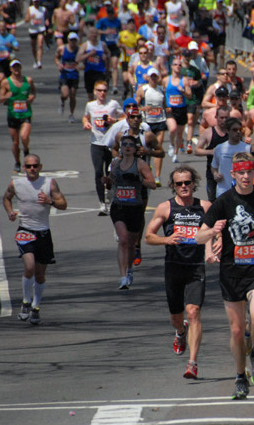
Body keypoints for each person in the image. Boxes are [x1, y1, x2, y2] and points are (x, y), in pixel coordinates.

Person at [196, 152, 254, 400]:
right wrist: (213, 231)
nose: (245, 176)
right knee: (236, 331)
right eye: (240, 172)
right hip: (231, 272)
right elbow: (198, 237)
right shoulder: (222, 202)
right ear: (233, 174)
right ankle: (240, 377)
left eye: (249, 172)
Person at [145, 166, 214, 379]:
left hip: (195, 267)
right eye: (179, 184)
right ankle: (180, 332)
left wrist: (213, 248)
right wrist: (166, 239)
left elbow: (214, 232)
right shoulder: (166, 208)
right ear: (173, 185)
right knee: (177, 317)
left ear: (194, 183)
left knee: (193, 312)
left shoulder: (205, 207)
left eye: (187, 182)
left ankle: (192, 362)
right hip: (173, 266)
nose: (184, 187)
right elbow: (148, 236)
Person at [2, 154, 67, 325]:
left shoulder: (49, 183)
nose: (32, 169)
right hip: (25, 231)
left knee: (40, 275)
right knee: (29, 266)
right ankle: (25, 302)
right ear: (24, 168)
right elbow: (6, 198)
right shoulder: (16, 183)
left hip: (43, 233)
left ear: (40, 167)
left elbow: (63, 204)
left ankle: (36, 307)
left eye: (35, 166)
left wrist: (50, 201)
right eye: (29, 166)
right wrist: (10, 212)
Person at [103, 134, 157, 290]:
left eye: (130, 145)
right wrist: (107, 182)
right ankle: (123, 277)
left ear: (135, 149)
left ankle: (130, 270)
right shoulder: (115, 163)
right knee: (123, 239)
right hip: (118, 206)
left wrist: (138, 179)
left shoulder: (140, 164)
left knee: (132, 242)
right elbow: (110, 184)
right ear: (120, 148)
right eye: (124, 144)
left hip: (135, 206)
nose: (127, 147)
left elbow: (152, 184)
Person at [83, 80, 123, 215]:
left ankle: (110, 194)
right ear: (95, 92)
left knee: (111, 172)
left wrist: (114, 121)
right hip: (96, 143)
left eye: (105, 90)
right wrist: (86, 123)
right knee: (99, 172)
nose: (102, 93)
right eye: (99, 90)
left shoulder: (113, 104)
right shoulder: (90, 105)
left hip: (111, 143)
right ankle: (102, 202)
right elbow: (86, 116)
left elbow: (123, 117)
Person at [0, 59, 36, 173]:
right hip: (13, 115)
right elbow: (0, 99)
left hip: (26, 113)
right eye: (14, 67)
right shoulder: (5, 82)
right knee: (15, 142)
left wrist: (32, 97)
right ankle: (17, 162)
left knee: (24, 136)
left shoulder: (28, 80)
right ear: (10, 69)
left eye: (18, 67)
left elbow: (33, 91)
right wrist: (7, 96)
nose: (16, 69)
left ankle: (26, 150)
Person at [137, 67, 169, 185]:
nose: (154, 79)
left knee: (158, 147)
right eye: (152, 76)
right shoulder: (143, 90)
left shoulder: (161, 89)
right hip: (147, 123)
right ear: (148, 78)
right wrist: (142, 109)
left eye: (155, 76)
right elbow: (134, 106)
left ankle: (158, 176)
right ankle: (147, 171)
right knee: (147, 148)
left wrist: (167, 109)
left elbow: (165, 104)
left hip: (160, 121)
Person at [163, 56, 193, 163]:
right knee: (172, 129)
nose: (178, 67)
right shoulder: (166, 80)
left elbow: (189, 96)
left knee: (180, 134)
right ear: (171, 66)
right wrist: (165, 106)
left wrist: (183, 91)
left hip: (181, 109)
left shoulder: (184, 80)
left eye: (180, 65)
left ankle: (175, 153)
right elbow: (162, 94)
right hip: (171, 109)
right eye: (175, 64)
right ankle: (171, 145)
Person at [211, 117, 250, 198]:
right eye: (235, 130)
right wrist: (215, 174)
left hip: (242, 191)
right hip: (223, 190)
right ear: (227, 131)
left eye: (240, 129)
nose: (238, 132)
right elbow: (214, 166)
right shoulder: (220, 148)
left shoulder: (247, 148)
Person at [77, 27, 110, 100]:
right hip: (89, 72)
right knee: (90, 95)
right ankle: (92, 109)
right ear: (88, 35)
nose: (93, 35)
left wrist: (106, 57)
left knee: (100, 92)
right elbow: (78, 58)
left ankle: (99, 109)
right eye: (92, 33)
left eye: (95, 33)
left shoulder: (102, 45)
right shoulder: (85, 45)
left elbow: (109, 54)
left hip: (100, 72)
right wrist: (89, 54)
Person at [55, 32, 80, 123]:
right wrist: (59, 64)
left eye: (74, 40)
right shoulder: (62, 49)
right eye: (71, 40)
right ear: (68, 40)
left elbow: (83, 61)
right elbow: (56, 58)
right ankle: (62, 101)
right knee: (65, 94)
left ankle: (71, 114)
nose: (73, 42)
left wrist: (79, 66)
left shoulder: (79, 50)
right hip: (64, 74)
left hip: (74, 75)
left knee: (72, 95)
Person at [25, 0, 46, 69]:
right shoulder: (30, 9)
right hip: (33, 30)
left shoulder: (43, 9)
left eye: (37, 1)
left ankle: (40, 61)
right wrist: (31, 17)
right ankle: (35, 60)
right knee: (33, 46)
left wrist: (47, 22)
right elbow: (26, 20)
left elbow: (46, 17)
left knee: (40, 44)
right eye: (35, 2)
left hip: (41, 29)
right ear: (33, 2)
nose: (36, 3)